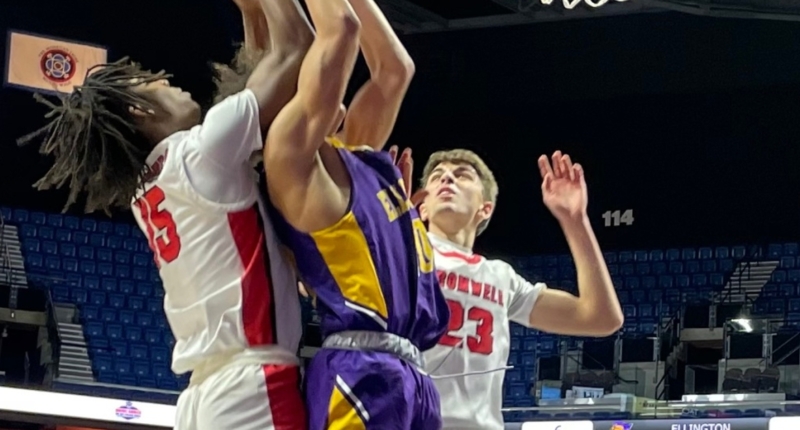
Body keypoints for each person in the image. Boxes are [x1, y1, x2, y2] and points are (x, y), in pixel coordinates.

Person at [19, 0, 315, 428]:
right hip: (249, 384)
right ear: (138, 112)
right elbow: (296, 49)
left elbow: (265, 71)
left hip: (212, 391)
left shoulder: (159, 180)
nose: (166, 79)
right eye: (150, 81)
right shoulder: (201, 153)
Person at [261, 0, 449, 428]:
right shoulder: (292, 164)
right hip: (358, 367)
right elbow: (341, 28)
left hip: (413, 370)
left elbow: (395, 70)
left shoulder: (358, 153)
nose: (334, 81)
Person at [417, 149, 624, 430]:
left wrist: (575, 221)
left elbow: (600, 318)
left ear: (485, 208)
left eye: (462, 175)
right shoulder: (400, 253)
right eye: (438, 176)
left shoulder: (501, 276)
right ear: (422, 207)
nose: (448, 179)